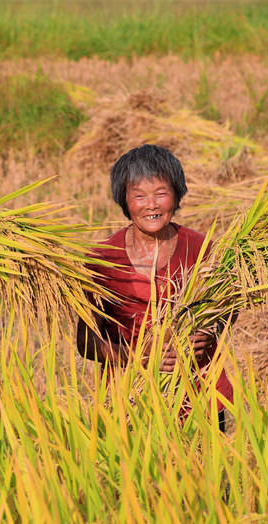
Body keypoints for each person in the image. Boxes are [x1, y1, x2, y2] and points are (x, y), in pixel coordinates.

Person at [76, 144, 233, 425]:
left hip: (200, 397)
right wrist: (138, 358)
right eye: (139, 196)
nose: (151, 205)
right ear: (124, 201)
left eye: (161, 193)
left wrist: (211, 330)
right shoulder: (102, 260)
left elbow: (228, 308)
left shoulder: (203, 250)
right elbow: (85, 342)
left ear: (177, 195)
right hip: (131, 400)